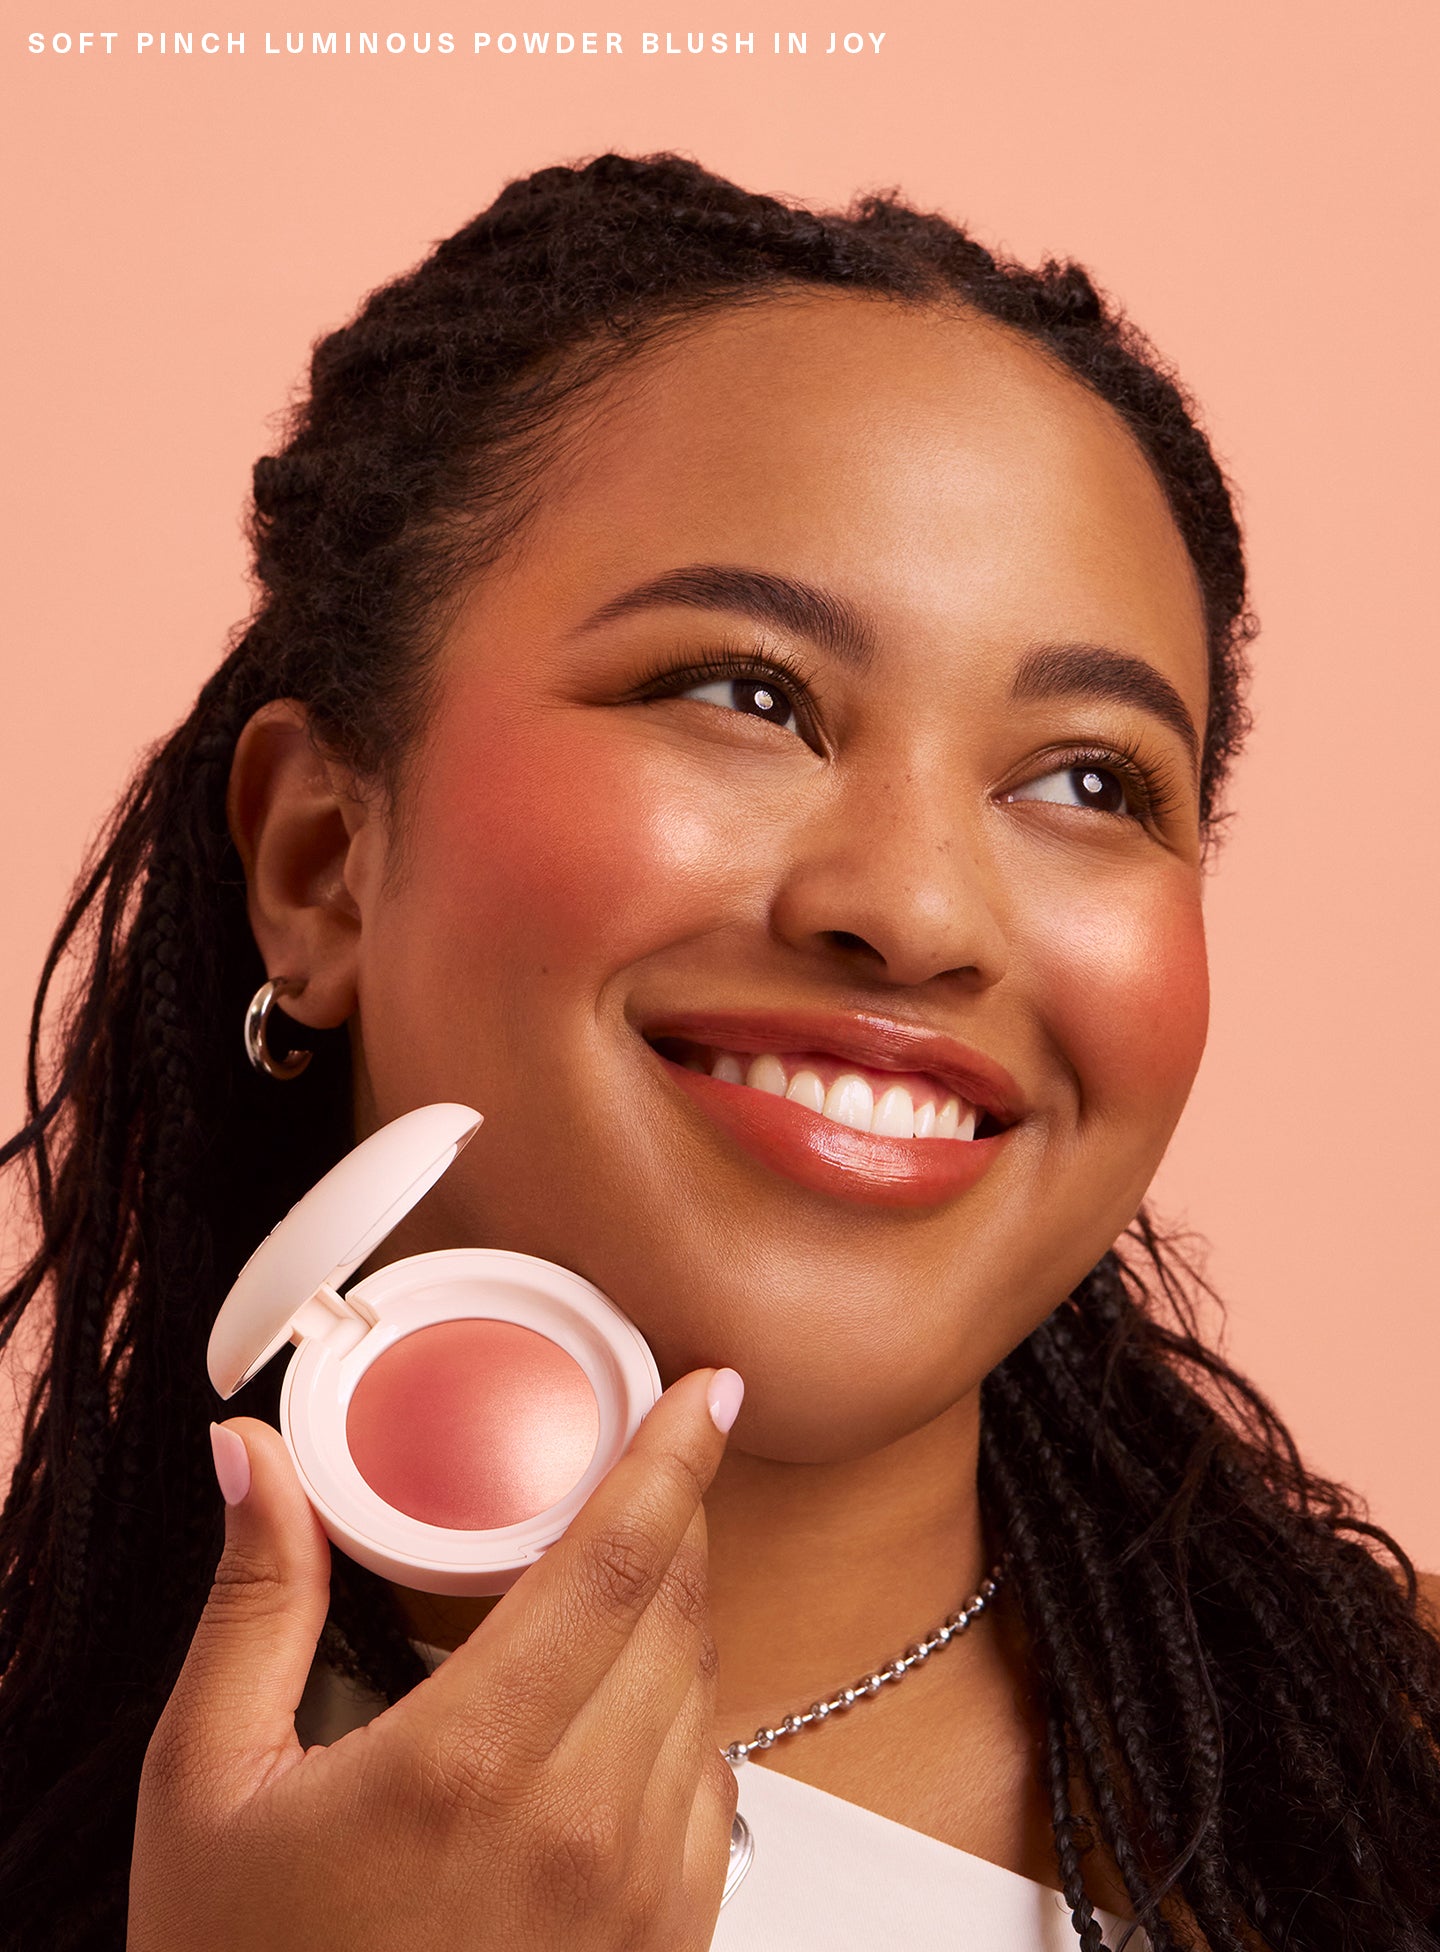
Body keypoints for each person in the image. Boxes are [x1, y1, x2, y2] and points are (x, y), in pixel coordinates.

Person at [1, 151, 1436, 1952]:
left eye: (1088, 779)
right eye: (744, 695)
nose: (917, 911)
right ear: (321, 864)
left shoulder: (1394, 1778)